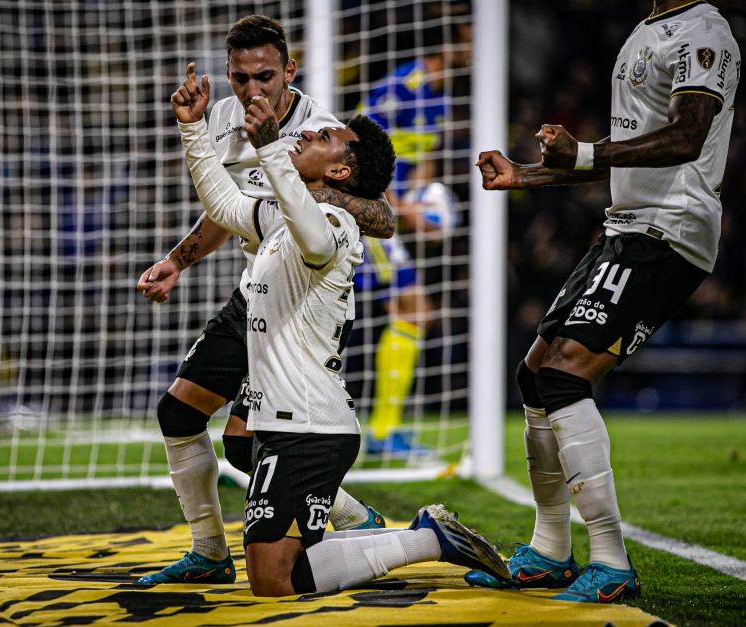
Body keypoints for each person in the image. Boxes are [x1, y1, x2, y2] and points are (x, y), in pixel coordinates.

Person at [170, 60, 509, 597]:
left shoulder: (331, 223)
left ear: (340, 173)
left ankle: (426, 540)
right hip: (278, 415)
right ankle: (386, 530)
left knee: (271, 581)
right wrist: (192, 129)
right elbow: (226, 204)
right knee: (272, 567)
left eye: (325, 136)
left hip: (309, 424)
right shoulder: (284, 211)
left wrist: (272, 149)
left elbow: (316, 236)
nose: (310, 131)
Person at [466, 0, 740, 604]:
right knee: (536, 375)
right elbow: (630, 151)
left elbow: (689, 137)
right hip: (627, 225)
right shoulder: (645, 30)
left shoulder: (704, 33)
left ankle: (611, 561)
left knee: (565, 374)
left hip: (670, 229)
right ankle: (549, 550)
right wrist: (527, 175)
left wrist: (586, 153)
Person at [136, 15, 394, 585]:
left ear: (289, 72)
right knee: (183, 413)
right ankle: (209, 550)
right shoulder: (224, 116)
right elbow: (231, 210)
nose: (253, 90)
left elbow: (383, 215)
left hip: (300, 307)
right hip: (257, 292)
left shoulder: (319, 131)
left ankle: (355, 520)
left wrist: (305, 183)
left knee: (250, 448)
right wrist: (178, 259)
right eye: (240, 77)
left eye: (266, 76)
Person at [358, 29, 466, 456]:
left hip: (389, 215)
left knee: (412, 312)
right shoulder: (401, 87)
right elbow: (358, 150)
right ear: (451, 40)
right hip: (365, 209)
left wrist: (420, 198)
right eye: (472, 36)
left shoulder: (439, 99)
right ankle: (382, 431)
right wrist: (406, 209)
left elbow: (426, 159)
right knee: (414, 310)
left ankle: (384, 431)